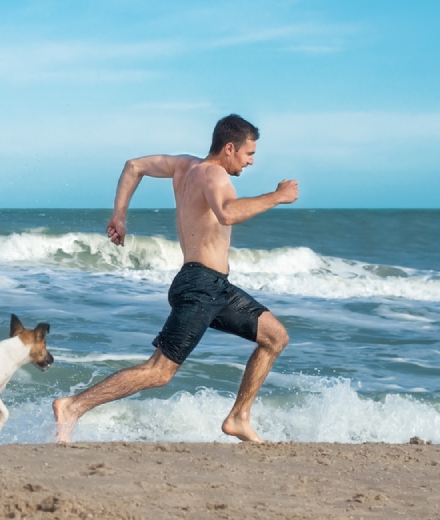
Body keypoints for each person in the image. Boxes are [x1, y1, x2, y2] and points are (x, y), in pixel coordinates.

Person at [53, 114, 298, 443]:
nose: (251, 161)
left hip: (213, 286)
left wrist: (119, 216)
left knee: (275, 337)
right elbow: (227, 212)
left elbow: (133, 166)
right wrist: (277, 196)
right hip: (201, 287)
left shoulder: (185, 166)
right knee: (159, 372)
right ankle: (72, 406)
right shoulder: (215, 174)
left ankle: (239, 417)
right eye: (249, 153)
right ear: (229, 148)